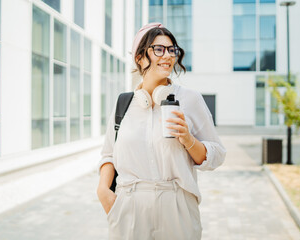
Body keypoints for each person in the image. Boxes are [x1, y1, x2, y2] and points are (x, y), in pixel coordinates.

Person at [97, 22, 226, 240]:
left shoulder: (190, 99)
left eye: (171, 49)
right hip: (129, 208)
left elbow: (217, 155)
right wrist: (103, 192)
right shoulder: (124, 104)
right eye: (158, 49)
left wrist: (188, 139)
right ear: (139, 57)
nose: (167, 55)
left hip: (177, 208)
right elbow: (108, 154)